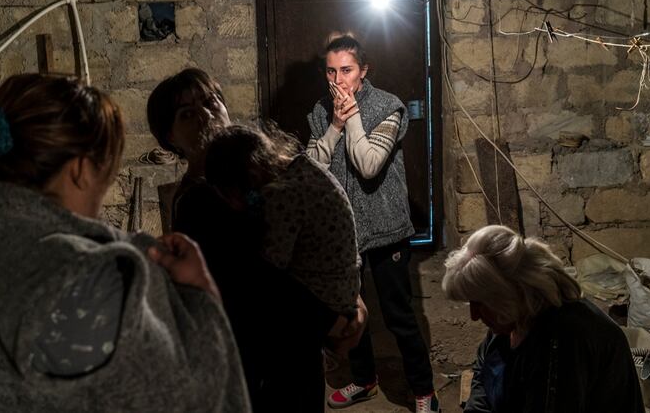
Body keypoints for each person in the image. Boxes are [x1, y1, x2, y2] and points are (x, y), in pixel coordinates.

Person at [0, 73, 250, 412]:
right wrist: (200, 295)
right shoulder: (86, 281)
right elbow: (189, 402)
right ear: (80, 169)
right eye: (108, 163)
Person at [147, 68, 366, 413]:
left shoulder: (252, 176)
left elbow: (312, 241)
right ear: (169, 137)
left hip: (293, 357)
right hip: (261, 367)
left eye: (211, 101)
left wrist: (347, 295)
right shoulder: (200, 201)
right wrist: (332, 319)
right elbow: (257, 286)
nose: (206, 113)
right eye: (187, 114)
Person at [306, 33, 438, 412]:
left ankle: (424, 392)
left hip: (386, 230)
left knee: (399, 317)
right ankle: (363, 380)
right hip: (342, 234)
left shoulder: (388, 107)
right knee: (350, 313)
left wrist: (352, 119)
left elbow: (367, 164)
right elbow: (312, 168)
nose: (338, 80)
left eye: (346, 70)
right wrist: (333, 124)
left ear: (363, 71)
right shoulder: (318, 111)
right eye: (331, 71)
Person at [443, 225, 645, 413]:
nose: (474, 315)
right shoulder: (510, 322)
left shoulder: (566, 339)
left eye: (480, 304)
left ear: (507, 297)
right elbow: (483, 377)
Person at [204, 124, 365, 329]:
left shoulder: (281, 195)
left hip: (324, 305)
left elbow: (269, 268)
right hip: (343, 293)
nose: (236, 203)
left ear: (251, 176)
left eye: (233, 195)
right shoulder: (305, 166)